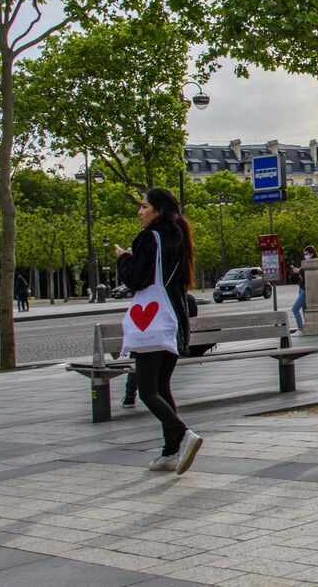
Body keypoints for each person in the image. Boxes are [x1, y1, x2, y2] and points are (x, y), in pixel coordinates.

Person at [115, 187, 202, 474]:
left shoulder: (148, 238)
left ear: (158, 211)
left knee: (147, 390)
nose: (140, 212)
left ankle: (182, 433)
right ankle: (169, 452)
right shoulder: (178, 238)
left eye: (144, 206)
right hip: (174, 317)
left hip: (151, 322)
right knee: (163, 386)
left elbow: (136, 279)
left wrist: (123, 258)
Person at [290, 245, 315, 334]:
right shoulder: (306, 262)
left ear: (312, 254)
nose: (305, 256)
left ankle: (300, 328)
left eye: (307, 254)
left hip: (306, 289)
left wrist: (299, 271)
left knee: (295, 309)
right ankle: (305, 327)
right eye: (304, 254)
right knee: (304, 308)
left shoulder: (313, 263)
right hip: (301, 287)